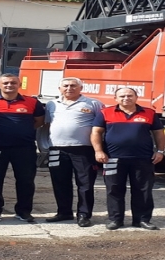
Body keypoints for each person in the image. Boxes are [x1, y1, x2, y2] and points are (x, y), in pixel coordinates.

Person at [91, 87, 165, 231]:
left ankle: (142, 220)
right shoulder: (105, 113)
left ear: (136, 97)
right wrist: (98, 151)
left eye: (130, 95)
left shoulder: (149, 113)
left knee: (143, 190)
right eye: (122, 96)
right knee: (114, 190)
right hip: (112, 159)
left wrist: (160, 151)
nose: (126, 98)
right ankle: (115, 220)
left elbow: (159, 133)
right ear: (116, 98)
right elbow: (96, 132)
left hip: (143, 159)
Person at [0, 73, 45, 222]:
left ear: (19, 85)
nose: (9, 85)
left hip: (24, 149)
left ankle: (23, 211)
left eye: (13, 83)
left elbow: (38, 122)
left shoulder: (32, 102)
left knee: (26, 181)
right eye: (6, 83)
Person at [43, 77, 104, 227]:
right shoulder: (52, 104)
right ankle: (64, 212)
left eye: (73, 86)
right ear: (60, 89)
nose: (69, 88)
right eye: (66, 86)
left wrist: (100, 149)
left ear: (80, 88)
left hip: (83, 149)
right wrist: (43, 147)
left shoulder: (93, 103)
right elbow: (45, 126)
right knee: (60, 182)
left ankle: (84, 215)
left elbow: (102, 127)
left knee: (85, 184)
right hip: (57, 149)